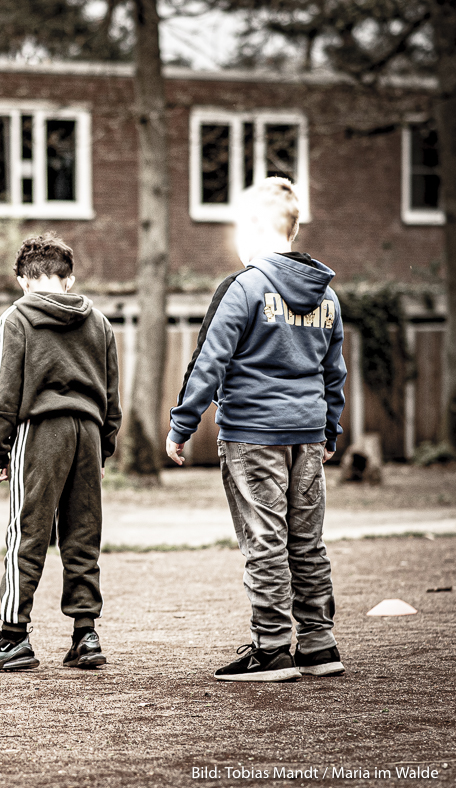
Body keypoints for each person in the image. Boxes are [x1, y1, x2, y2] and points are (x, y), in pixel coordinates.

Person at [166, 177, 347, 683]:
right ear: (293, 228)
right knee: (306, 540)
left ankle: (271, 648)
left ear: (253, 226)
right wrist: (330, 427)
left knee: (264, 539)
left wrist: (182, 424)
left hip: (253, 434)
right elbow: (335, 372)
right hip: (308, 433)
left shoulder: (243, 287)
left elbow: (209, 360)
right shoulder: (327, 297)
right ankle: (317, 643)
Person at [0, 233, 121, 674]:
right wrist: (104, 447)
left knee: (26, 533)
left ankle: (14, 636)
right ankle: (85, 635)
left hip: (41, 429)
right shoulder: (100, 321)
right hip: (87, 431)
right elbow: (111, 393)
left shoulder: (17, 317)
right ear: (69, 279)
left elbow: (6, 390)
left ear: (21, 280)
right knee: (83, 533)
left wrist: (0, 448)